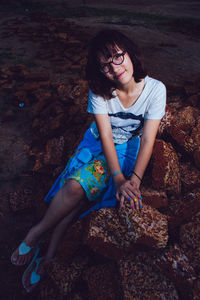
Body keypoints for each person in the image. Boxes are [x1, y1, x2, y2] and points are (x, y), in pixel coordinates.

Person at [11, 29, 166, 292]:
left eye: (118, 56)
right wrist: (117, 178)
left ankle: (45, 252)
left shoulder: (155, 89)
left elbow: (149, 139)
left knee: (77, 202)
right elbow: (104, 133)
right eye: (105, 65)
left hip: (127, 150)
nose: (115, 68)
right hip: (97, 145)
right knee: (75, 189)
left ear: (130, 53)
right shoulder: (101, 91)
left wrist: (134, 181)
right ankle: (38, 240)